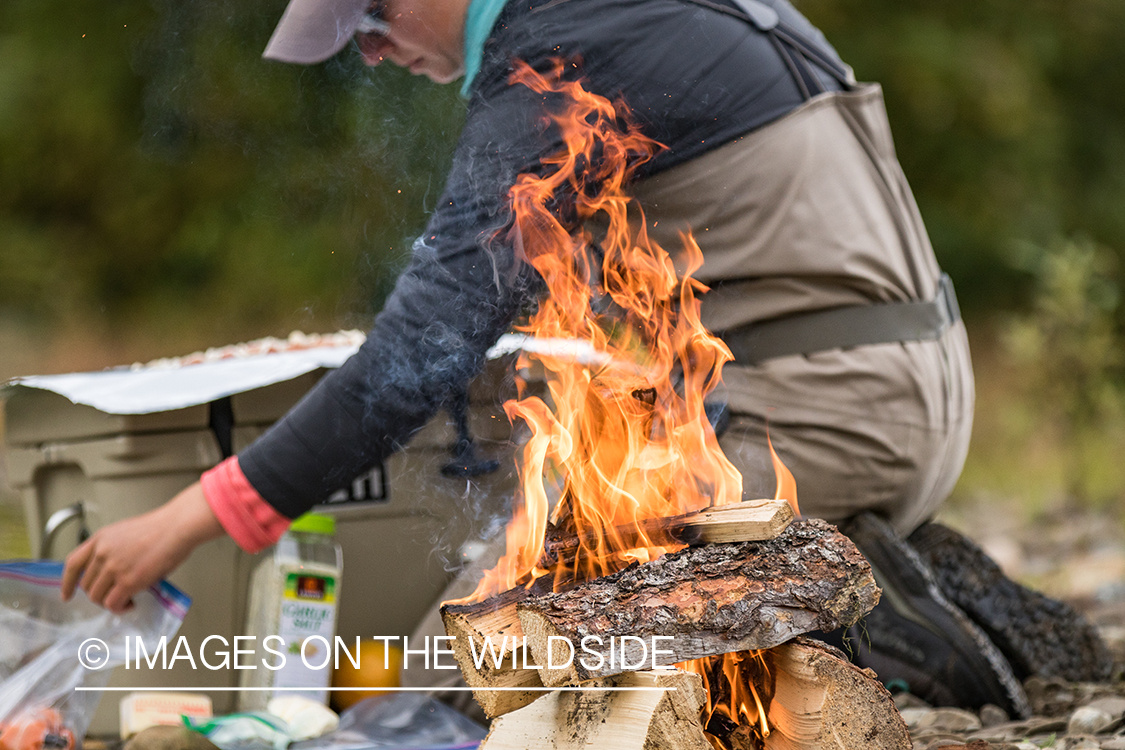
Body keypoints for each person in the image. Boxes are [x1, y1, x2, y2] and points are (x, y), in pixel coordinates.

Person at [61, 0, 1109, 716]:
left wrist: (197, 514)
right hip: (900, 397)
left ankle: (864, 623)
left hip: (821, 421)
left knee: (470, 659)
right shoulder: (627, 10)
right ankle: (847, 582)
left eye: (370, 14)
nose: (369, 52)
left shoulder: (552, 60)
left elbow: (418, 354)